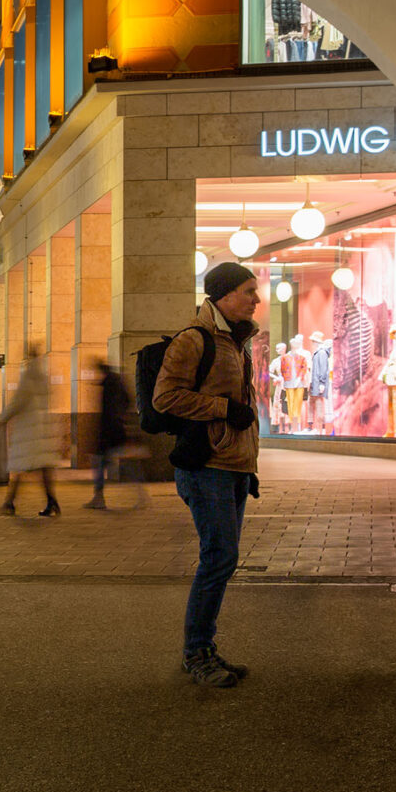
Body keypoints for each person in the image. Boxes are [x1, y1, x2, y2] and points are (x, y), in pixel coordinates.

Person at [153, 261, 263, 689]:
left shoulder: (237, 340)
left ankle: (204, 648)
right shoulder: (194, 340)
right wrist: (223, 409)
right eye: (248, 291)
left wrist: (248, 465)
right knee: (218, 559)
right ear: (223, 295)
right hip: (207, 468)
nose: (256, 299)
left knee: (223, 559)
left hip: (232, 467)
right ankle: (196, 652)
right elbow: (165, 398)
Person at [0, 345, 62, 517]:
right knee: (42, 468)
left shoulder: (28, 376)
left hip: (28, 430)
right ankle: (52, 501)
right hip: (42, 429)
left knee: (19, 467)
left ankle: (9, 502)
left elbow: (18, 401)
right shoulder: (43, 376)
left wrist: (2, 418)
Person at [85, 355, 142, 510]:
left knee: (99, 463)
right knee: (120, 464)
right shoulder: (117, 381)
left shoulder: (108, 385)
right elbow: (128, 401)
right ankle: (139, 492)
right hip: (117, 430)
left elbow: (107, 412)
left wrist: (99, 433)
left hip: (109, 433)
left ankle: (99, 498)